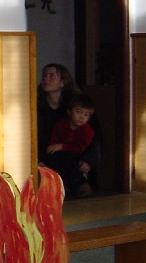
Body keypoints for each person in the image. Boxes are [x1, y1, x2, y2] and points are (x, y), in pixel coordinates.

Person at [37, 63, 102, 198]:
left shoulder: (78, 104)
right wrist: (38, 159)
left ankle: (81, 185)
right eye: (44, 76)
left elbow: (94, 135)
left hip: (76, 151)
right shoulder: (38, 104)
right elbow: (36, 136)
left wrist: (89, 160)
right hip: (50, 152)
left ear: (63, 82)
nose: (46, 79)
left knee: (67, 159)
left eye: (52, 76)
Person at [45, 93, 96, 198]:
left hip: (77, 155)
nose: (82, 117)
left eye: (86, 115)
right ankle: (59, 185)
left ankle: (82, 184)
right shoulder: (61, 125)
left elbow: (80, 148)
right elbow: (53, 142)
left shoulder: (87, 131)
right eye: (78, 112)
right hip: (59, 153)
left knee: (70, 160)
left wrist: (62, 146)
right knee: (53, 158)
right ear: (69, 111)